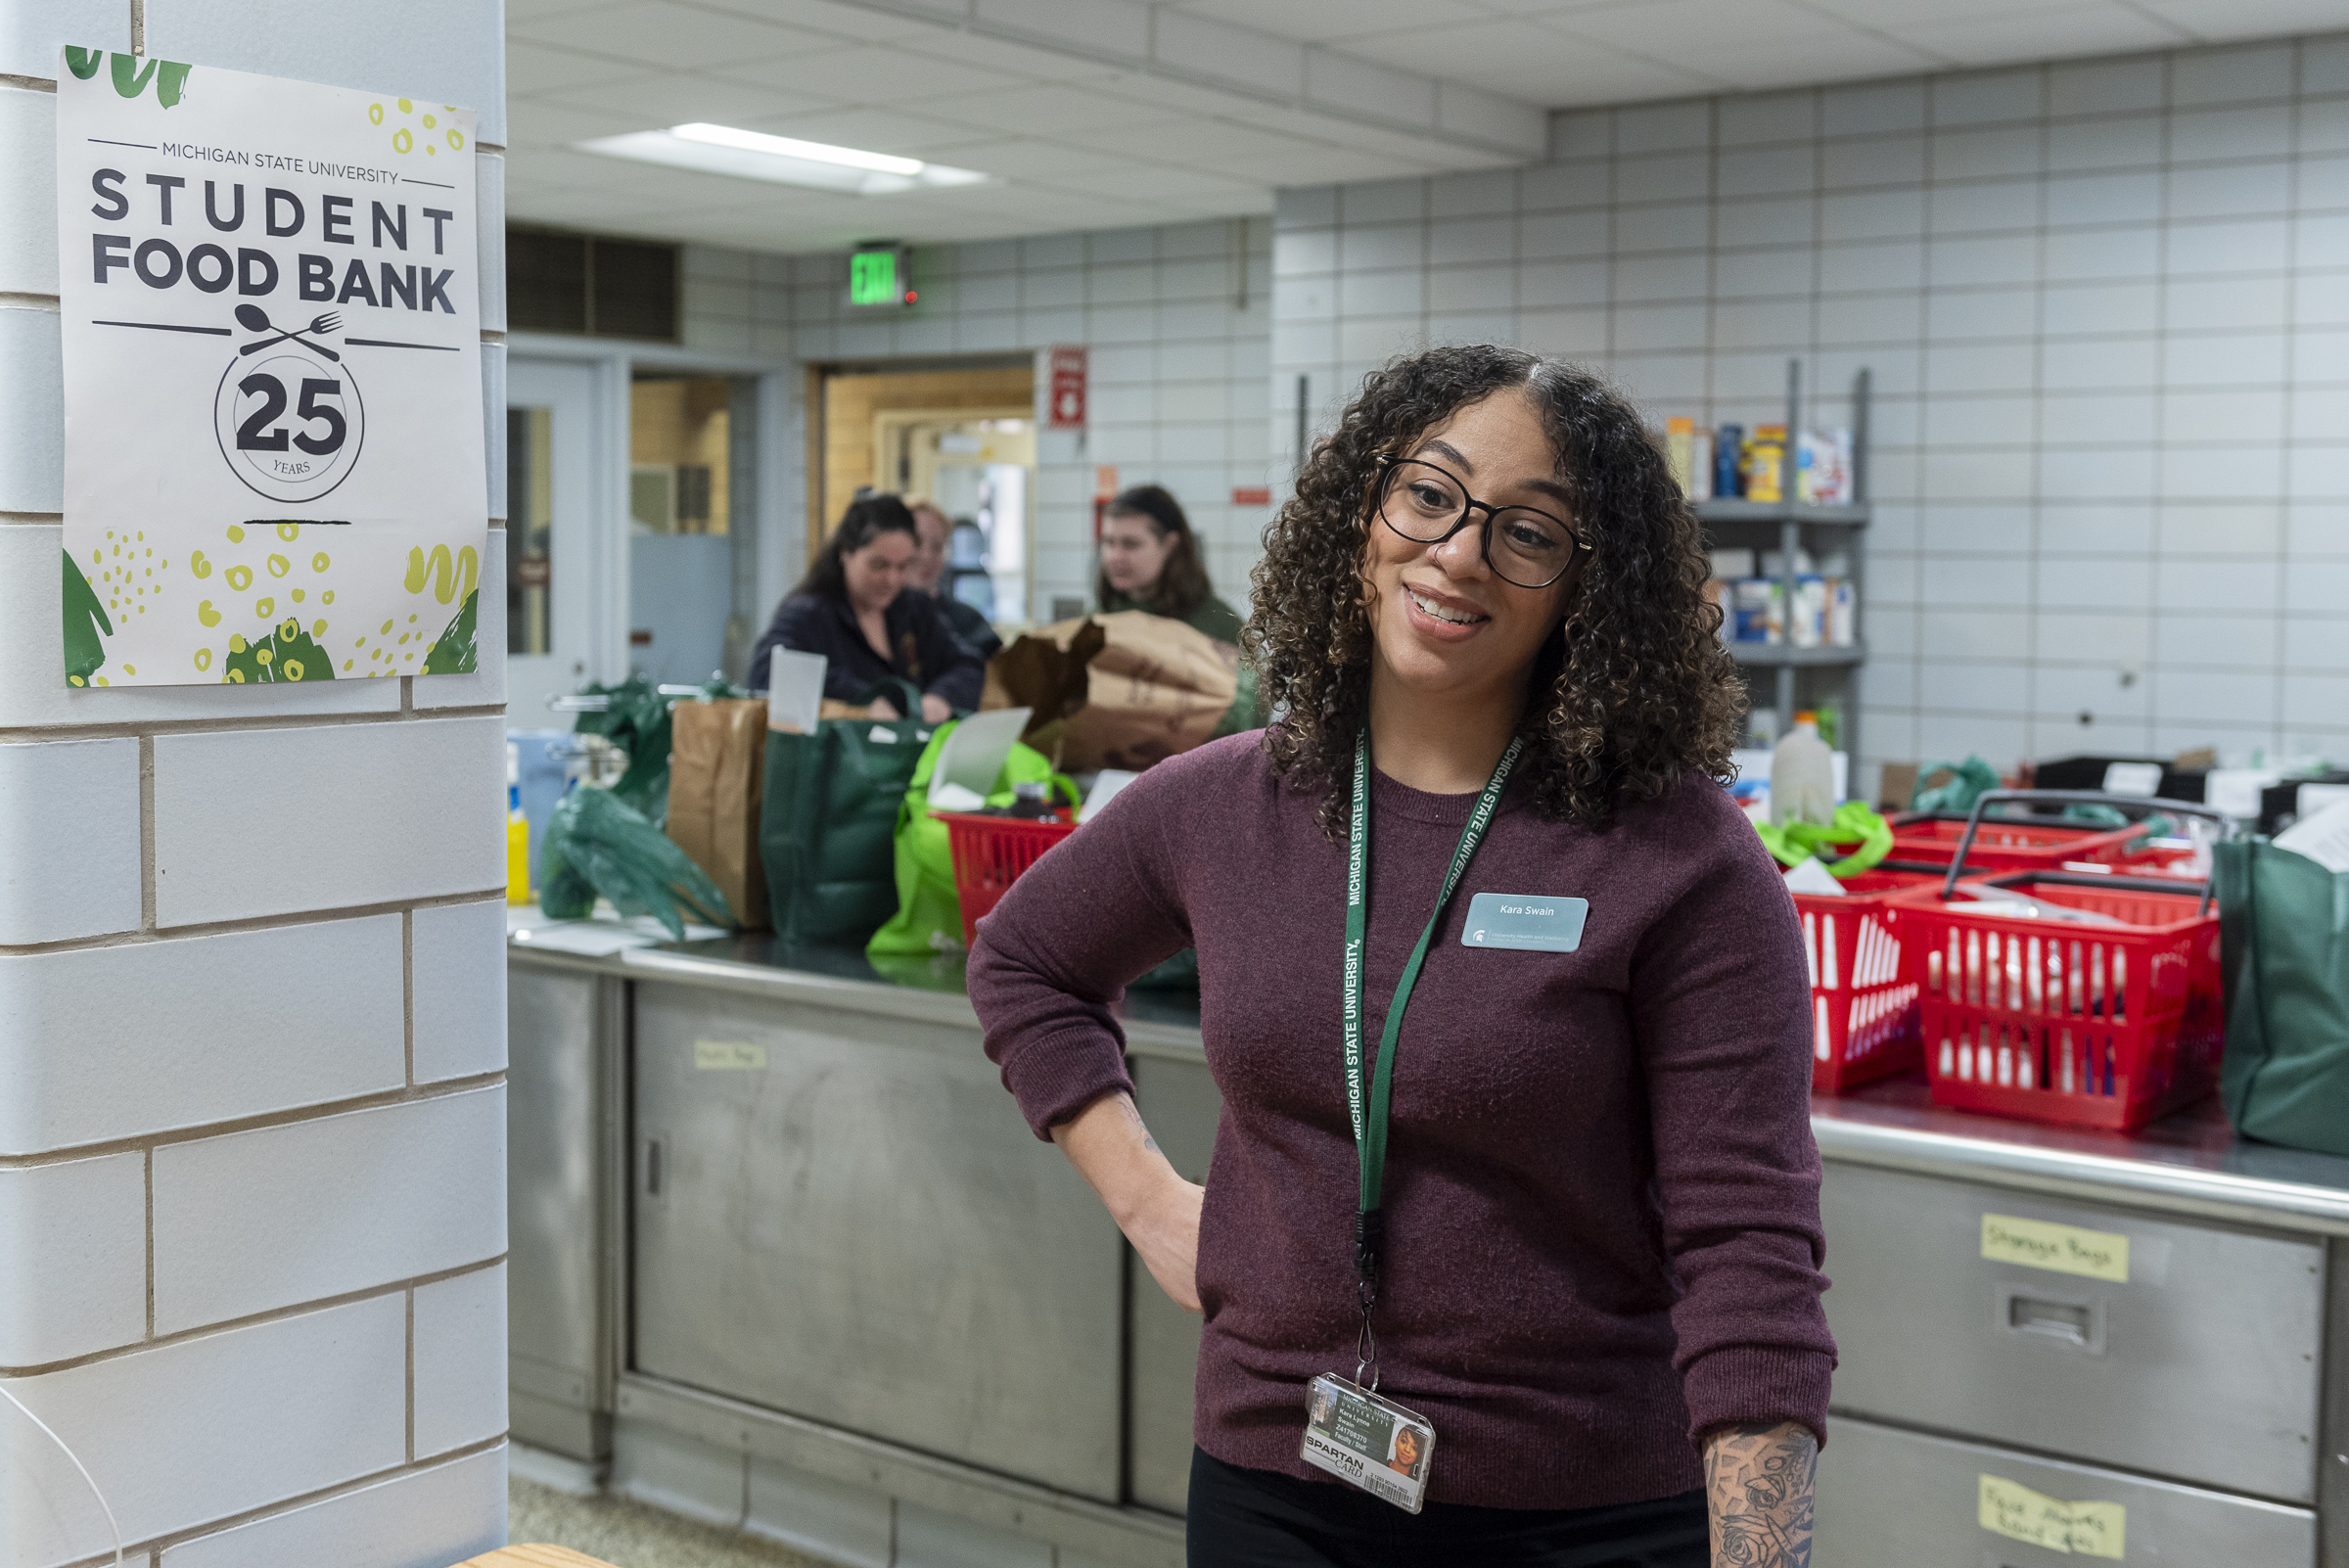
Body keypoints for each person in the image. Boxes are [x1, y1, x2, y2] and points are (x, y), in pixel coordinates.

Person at [970, 345, 1829, 1567]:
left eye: (1529, 532)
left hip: (1581, 1510)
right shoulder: (1227, 803)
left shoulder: (1679, 858)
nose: (1461, 552)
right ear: (1364, 510)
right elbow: (1025, 961)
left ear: (1587, 588)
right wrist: (1154, 1205)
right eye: (1431, 494)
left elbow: (1750, 1255)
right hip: (1278, 1477)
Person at [748, 494, 983, 723]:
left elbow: (966, 664)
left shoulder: (913, 608)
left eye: (902, 566)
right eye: (879, 565)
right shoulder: (808, 614)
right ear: (845, 552)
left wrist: (941, 697)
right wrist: (862, 702)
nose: (891, 579)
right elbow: (770, 671)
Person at [1095, 484, 1243, 644]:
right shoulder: (1099, 618)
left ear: (1169, 545)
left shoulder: (1218, 625)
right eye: (1108, 542)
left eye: (1131, 544)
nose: (1115, 556)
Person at [906, 496, 1004, 663]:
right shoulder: (875, 621)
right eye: (916, 543)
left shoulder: (969, 622)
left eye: (937, 547)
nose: (926, 556)